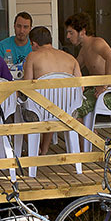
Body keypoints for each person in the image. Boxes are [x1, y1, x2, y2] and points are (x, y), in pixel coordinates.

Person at [22, 25, 81, 155]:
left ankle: (35, 149)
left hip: (40, 112)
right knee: (53, 104)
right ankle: (44, 149)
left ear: (34, 44)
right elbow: (80, 87)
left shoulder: (32, 56)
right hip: (67, 112)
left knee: (19, 113)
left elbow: (26, 87)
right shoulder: (71, 59)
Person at [64, 12, 111, 118]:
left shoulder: (97, 43)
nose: (68, 36)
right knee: (67, 104)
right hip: (94, 91)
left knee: (74, 110)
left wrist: (104, 85)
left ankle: (87, 134)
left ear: (82, 32)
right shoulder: (84, 50)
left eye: (71, 33)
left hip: (110, 94)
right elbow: (72, 69)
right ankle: (89, 133)